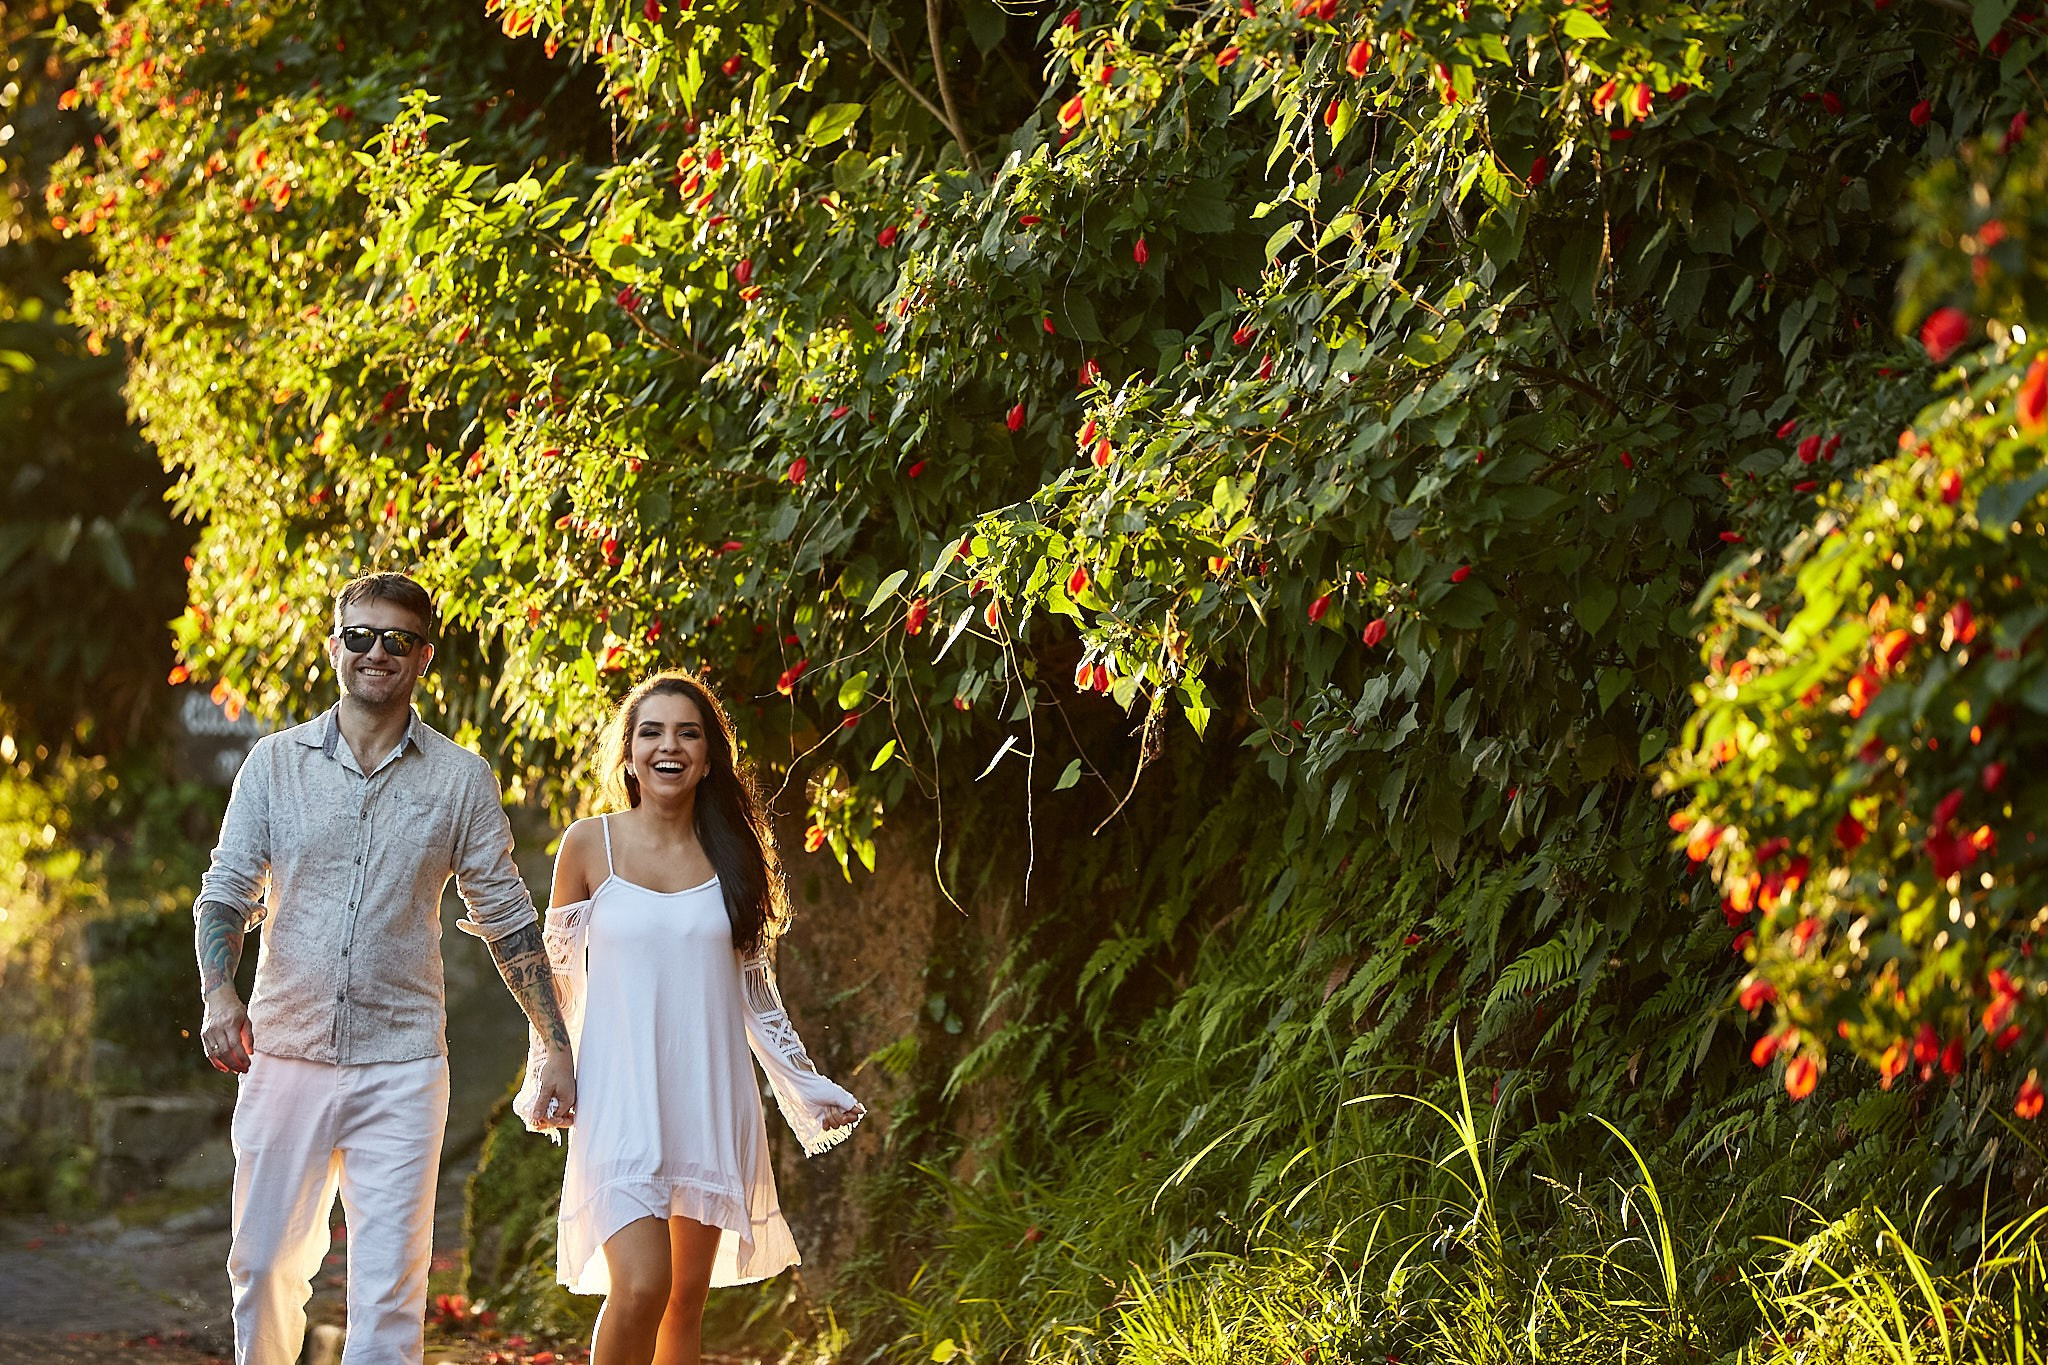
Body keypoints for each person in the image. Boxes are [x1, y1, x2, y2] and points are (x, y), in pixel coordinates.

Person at [193, 571, 576, 1365]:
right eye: (360, 636)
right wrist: (218, 992)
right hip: (284, 1053)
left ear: (422, 657)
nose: (376, 652)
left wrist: (554, 1041)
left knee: (388, 1296)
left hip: (402, 1065)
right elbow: (225, 890)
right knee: (263, 1268)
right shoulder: (272, 764)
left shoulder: (461, 779)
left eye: (396, 641)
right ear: (335, 646)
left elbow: (507, 920)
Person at [514, 670, 862, 1365]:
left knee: (682, 1303)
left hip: (706, 1094)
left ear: (708, 757)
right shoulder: (589, 845)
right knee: (642, 1285)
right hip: (618, 1096)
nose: (668, 745)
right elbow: (553, 980)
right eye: (651, 731)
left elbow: (757, 997)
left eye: (687, 732)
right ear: (629, 752)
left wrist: (805, 1087)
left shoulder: (735, 859)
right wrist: (549, 1065)